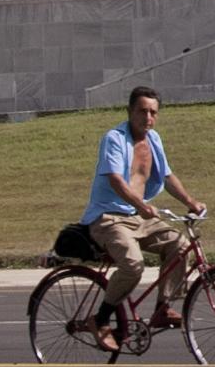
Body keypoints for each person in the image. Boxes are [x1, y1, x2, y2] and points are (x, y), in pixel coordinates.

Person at [80, 85, 203, 353]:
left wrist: (190, 202)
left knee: (180, 245)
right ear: (130, 111)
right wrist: (141, 204)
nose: (148, 117)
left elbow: (168, 176)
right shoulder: (114, 138)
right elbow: (115, 179)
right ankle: (100, 319)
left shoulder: (154, 139)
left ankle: (163, 307)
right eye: (142, 111)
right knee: (133, 264)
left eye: (153, 113)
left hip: (137, 215)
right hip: (108, 217)